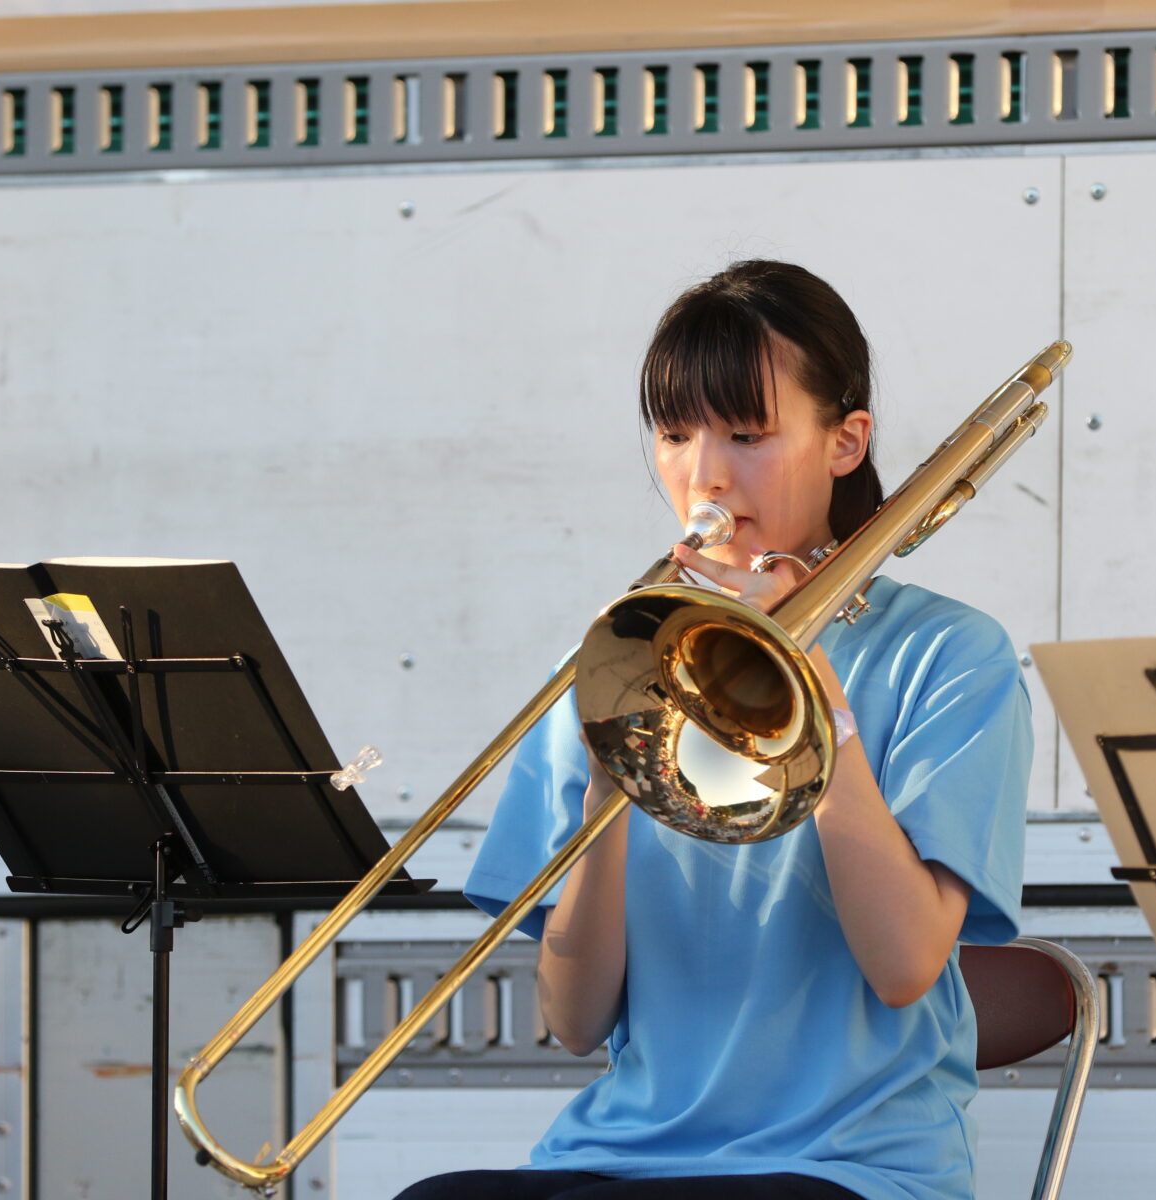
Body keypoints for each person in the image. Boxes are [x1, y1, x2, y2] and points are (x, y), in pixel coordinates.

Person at [395, 260, 1033, 1200]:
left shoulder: (951, 655)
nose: (704, 474)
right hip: (621, 1156)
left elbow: (903, 969)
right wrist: (615, 771)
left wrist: (818, 701)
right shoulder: (609, 663)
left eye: (748, 434)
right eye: (674, 433)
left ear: (845, 442)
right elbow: (575, 1022)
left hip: (846, 1168)